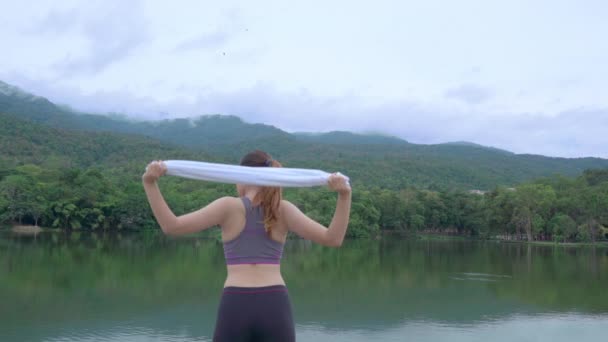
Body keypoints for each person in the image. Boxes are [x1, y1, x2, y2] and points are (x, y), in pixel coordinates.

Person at [142, 150, 352, 342]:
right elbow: (333, 239)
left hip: (236, 302)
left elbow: (171, 226)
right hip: (274, 303)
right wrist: (344, 195)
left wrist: (150, 183)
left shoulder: (228, 206)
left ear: (241, 177)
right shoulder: (284, 210)